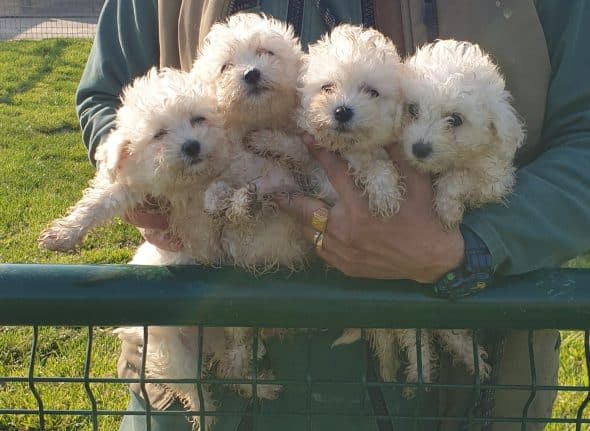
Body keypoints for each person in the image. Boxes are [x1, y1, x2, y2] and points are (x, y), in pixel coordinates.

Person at [76, 1, 590, 430]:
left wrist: (469, 243)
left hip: (449, 394)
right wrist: (144, 174)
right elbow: (106, 93)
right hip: (205, 374)